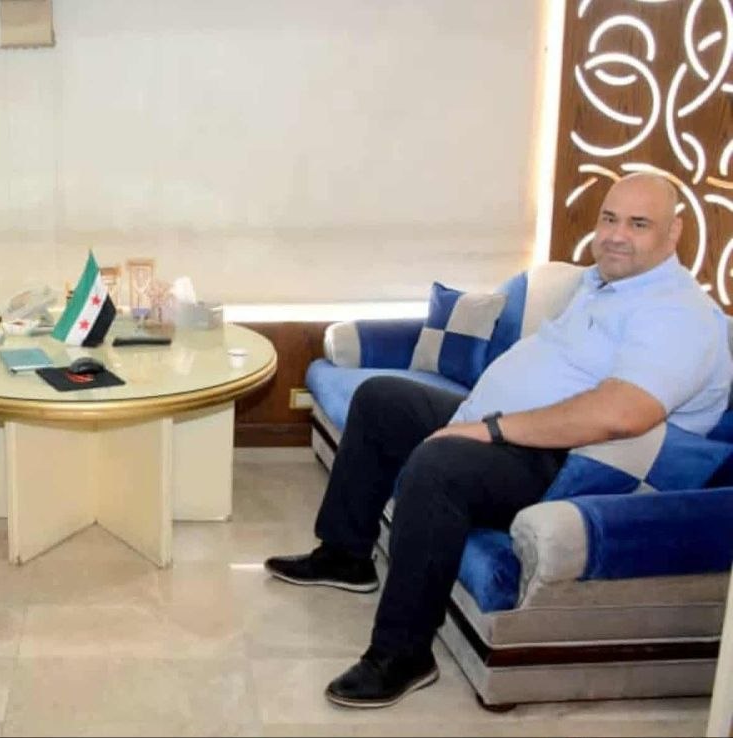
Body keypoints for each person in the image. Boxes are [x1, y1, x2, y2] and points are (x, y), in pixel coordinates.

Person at [264, 172, 733, 708]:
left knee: (438, 468)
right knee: (381, 400)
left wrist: (488, 429)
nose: (615, 235)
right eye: (609, 218)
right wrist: (485, 418)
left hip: (568, 462)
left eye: (638, 224)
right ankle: (346, 556)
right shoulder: (602, 285)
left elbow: (622, 415)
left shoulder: (681, 317)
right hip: (512, 426)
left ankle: (403, 655)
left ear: (674, 232)